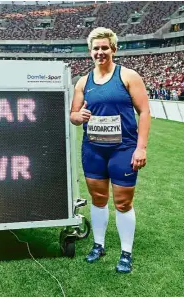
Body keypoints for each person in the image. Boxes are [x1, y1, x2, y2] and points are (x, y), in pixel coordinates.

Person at [70, 27, 151, 273]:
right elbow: (73, 115)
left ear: (113, 49)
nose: (100, 52)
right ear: (90, 51)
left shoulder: (128, 76)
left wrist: (141, 148)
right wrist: (78, 116)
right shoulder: (83, 82)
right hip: (93, 149)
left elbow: (145, 112)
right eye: (96, 48)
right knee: (98, 199)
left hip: (123, 150)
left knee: (123, 202)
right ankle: (99, 244)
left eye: (104, 47)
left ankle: (126, 252)